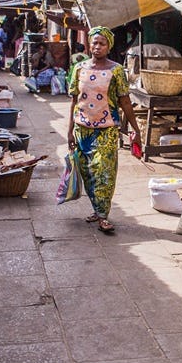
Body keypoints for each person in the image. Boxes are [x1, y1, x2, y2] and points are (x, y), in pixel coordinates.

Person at [67, 26, 142, 234]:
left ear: (109, 47)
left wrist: (135, 130)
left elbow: (125, 102)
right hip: (82, 130)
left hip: (106, 130)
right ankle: (97, 208)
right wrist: (69, 131)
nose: (97, 47)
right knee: (88, 172)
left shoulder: (116, 70)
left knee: (104, 172)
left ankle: (103, 216)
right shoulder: (79, 68)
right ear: (89, 44)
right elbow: (74, 101)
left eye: (102, 43)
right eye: (95, 42)